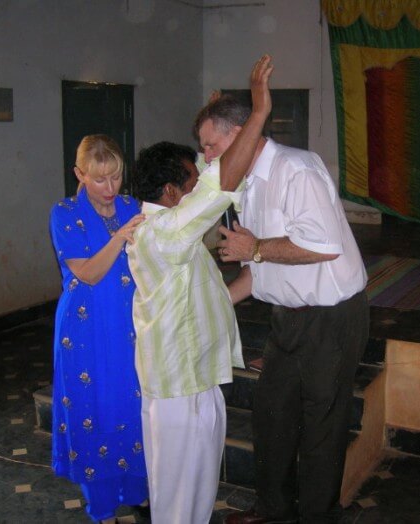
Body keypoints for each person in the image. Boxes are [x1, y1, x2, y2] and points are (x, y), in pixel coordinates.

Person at [199, 91, 370, 523]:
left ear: (241, 133)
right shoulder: (248, 183)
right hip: (287, 319)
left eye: (211, 146)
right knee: (271, 415)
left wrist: (255, 247)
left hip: (331, 319)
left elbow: (323, 246)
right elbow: (260, 269)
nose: (207, 157)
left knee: (321, 426)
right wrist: (212, 304)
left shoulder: (296, 169)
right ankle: (273, 510)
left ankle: (317, 516)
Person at [127, 55, 272, 524]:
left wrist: (265, 269)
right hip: (176, 387)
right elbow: (219, 186)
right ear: (172, 192)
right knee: (176, 498)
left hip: (200, 376)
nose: (205, 169)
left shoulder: (178, 238)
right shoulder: (161, 234)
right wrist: (257, 114)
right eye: (193, 176)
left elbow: (209, 298)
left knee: (200, 491)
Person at [49, 135, 148, 523]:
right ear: (80, 174)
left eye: (116, 177)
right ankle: (102, 505)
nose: (110, 188)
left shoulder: (132, 206)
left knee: (132, 402)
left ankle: (138, 491)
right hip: (85, 327)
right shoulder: (64, 213)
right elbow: (88, 273)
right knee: (93, 406)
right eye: (99, 179)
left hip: (129, 322)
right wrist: (119, 238)